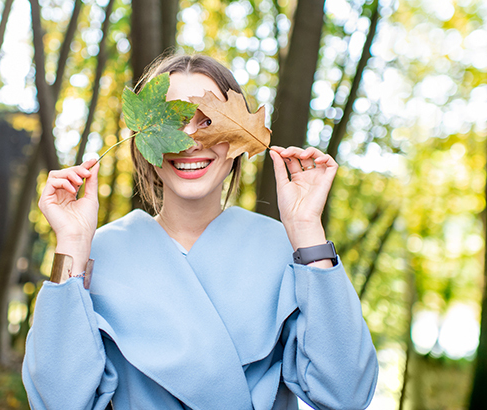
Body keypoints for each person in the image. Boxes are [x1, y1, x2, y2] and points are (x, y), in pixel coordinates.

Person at [22, 54, 379, 410]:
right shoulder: (98, 253)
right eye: (172, 121)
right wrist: (71, 244)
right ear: (143, 139)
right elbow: (59, 401)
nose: (190, 140)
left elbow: (345, 394)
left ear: (240, 136)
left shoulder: (288, 248)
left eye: (208, 121)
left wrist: (307, 231)